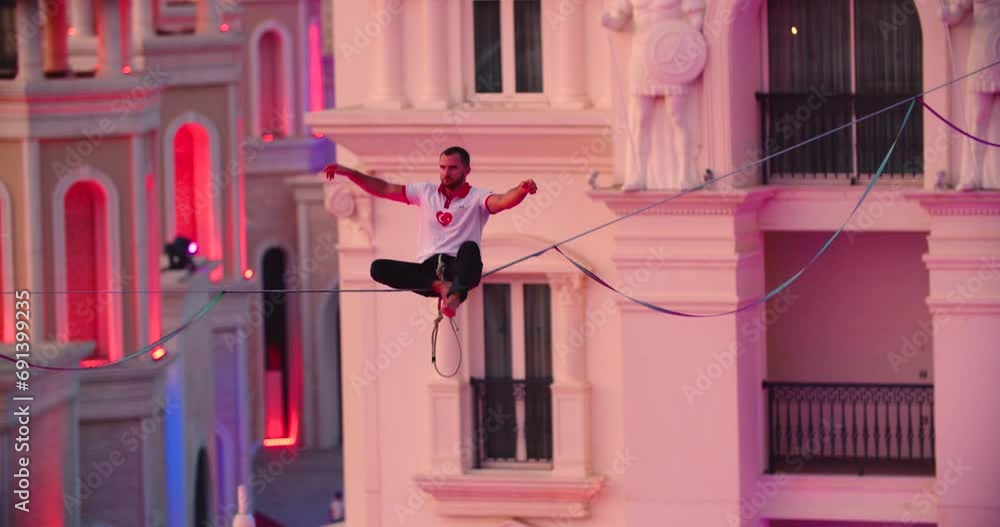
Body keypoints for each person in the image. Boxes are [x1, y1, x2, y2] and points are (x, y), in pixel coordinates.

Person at [323, 146, 538, 317]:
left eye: (453, 168)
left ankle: (453, 295)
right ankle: (441, 288)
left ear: (466, 170)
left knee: (470, 249)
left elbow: (502, 201)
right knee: (378, 268)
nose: (446, 173)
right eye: (443, 167)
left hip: (460, 269)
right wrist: (350, 173)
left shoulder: (477, 197)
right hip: (427, 272)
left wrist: (521, 191)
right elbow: (385, 189)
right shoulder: (425, 192)